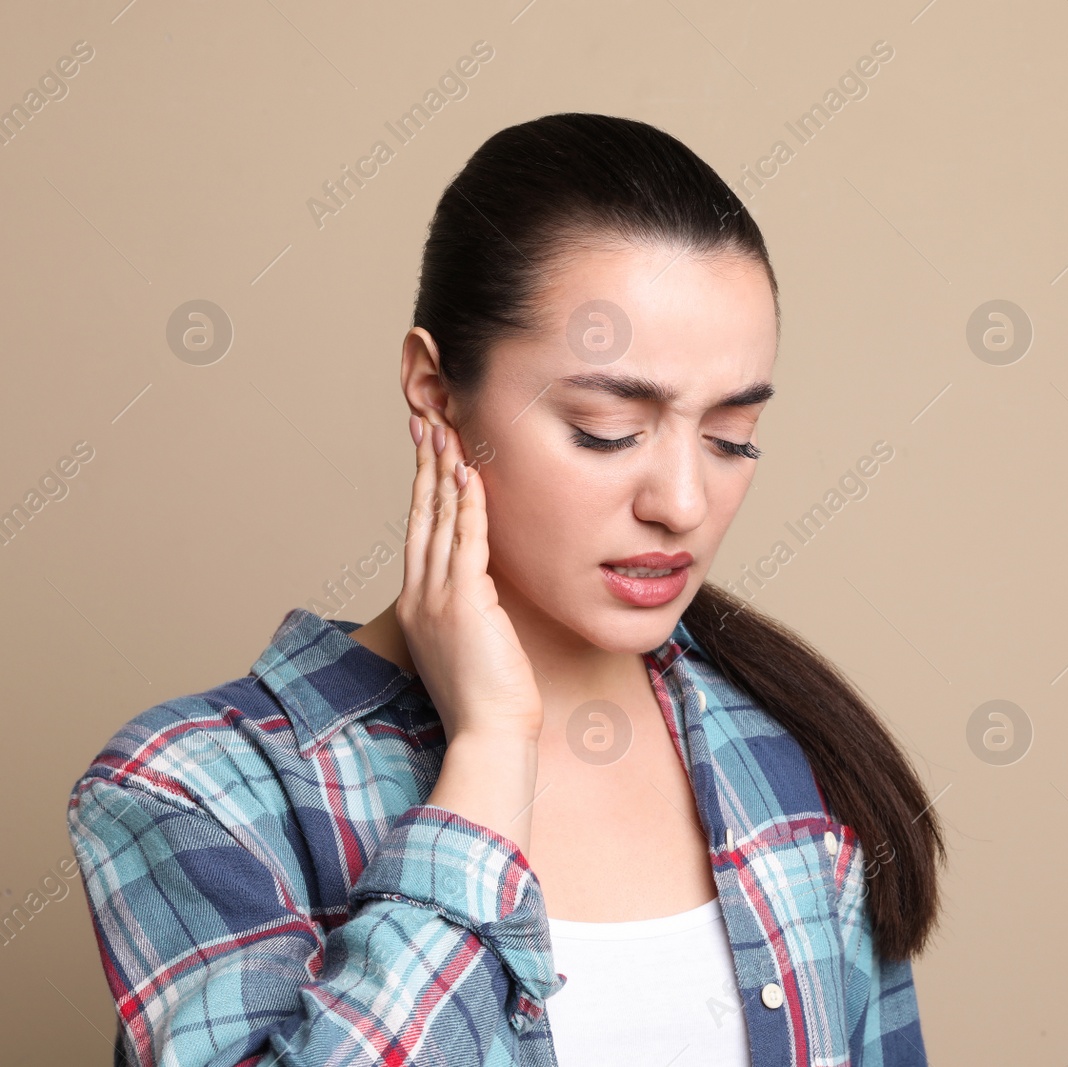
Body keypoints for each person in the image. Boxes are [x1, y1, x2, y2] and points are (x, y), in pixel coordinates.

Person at [67, 112, 945, 1067]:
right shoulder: (197, 792)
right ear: (436, 393)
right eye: (608, 426)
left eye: (732, 437)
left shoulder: (794, 754)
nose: (684, 502)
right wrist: (487, 758)